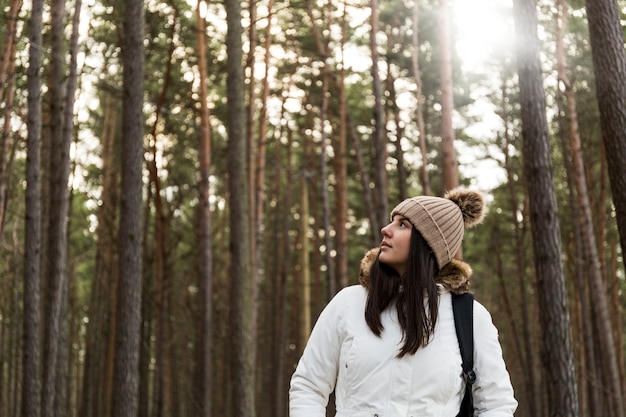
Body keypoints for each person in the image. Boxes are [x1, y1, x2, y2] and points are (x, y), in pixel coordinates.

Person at [289, 189, 518, 416]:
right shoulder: (349, 303)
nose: (385, 230)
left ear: (429, 244)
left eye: (402, 225)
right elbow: (309, 386)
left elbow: (496, 404)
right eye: (392, 221)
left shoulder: (470, 317)